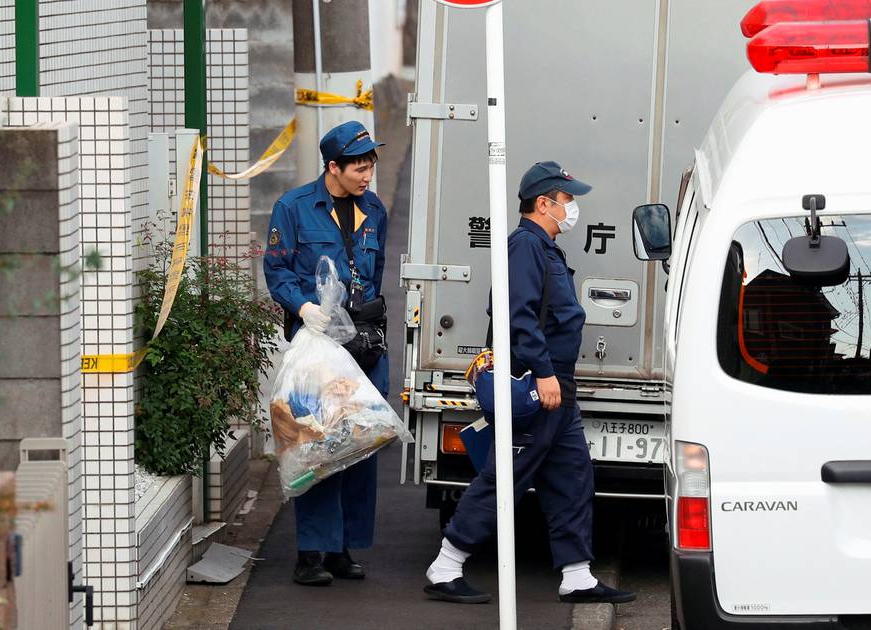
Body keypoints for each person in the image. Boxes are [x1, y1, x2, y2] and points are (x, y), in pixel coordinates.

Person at [424, 161, 637, 605]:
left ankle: (577, 574)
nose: (572, 207)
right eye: (567, 199)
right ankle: (446, 564)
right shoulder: (525, 246)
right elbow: (515, 316)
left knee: (573, 475)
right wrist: (543, 373)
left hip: (559, 386)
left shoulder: (545, 248)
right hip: (536, 383)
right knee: (508, 476)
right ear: (544, 203)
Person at [264, 120, 389, 586]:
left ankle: (344, 547)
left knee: (362, 441)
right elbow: (276, 271)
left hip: (364, 343)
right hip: (319, 345)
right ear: (333, 167)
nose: (367, 175)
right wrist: (303, 306)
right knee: (317, 443)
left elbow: (373, 273)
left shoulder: (373, 208)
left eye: (371, 165)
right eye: (359, 167)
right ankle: (311, 552)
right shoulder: (294, 208)